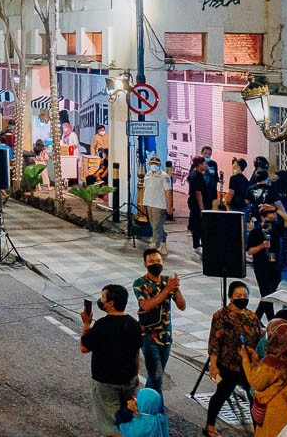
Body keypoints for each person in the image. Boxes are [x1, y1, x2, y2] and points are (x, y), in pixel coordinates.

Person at [80, 284, 142, 437]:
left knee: (112, 425)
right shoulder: (134, 324)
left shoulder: (102, 325)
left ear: (110, 303)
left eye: (103, 298)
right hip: (129, 380)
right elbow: (136, 354)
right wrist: (135, 377)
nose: (101, 301)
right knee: (126, 419)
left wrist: (86, 324)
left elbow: (84, 347)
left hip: (106, 382)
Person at [205, 280, 262, 437]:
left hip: (248, 365)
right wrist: (214, 365)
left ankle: (259, 430)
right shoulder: (220, 316)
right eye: (238, 295)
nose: (242, 298)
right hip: (229, 364)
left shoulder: (252, 316)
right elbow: (214, 342)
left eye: (245, 295)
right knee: (222, 394)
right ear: (230, 297)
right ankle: (210, 426)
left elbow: (258, 336)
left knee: (254, 397)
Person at [133, 247, 185, 394]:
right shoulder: (140, 283)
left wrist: (177, 289)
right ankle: (156, 410)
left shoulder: (167, 281)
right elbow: (147, 305)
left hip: (166, 335)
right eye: (151, 261)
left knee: (157, 375)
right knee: (156, 375)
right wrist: (167, 290)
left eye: (158, 261)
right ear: (145, 264)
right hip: (149, 335)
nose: (155, 264)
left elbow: (182, 306)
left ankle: (148, 405)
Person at [242, 318, 287, 437]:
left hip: (273, 412)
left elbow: (257, 382)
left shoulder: (272, 362)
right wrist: (258, 361)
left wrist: (245, 360)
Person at [249, 203, 287, 324]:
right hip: (262, 267)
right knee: (268, 296)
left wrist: (276, 209)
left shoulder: (276, 227)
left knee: (269, 296)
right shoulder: (256, 232)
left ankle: (256, 318)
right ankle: (272, 322)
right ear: (263, 216)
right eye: (271, 213)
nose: (273, 215)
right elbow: (250, 250)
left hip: (275, 266)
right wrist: (261, 246)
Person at [141, 158, 174, 255]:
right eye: (151, 164)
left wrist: (170, 205)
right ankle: (163, 242)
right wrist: (144, 203)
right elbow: (145, 189)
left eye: (155, 164)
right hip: (149, 203)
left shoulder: (164, 176)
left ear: (159, 165)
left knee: (156, 226)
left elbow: (168, 191)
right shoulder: (147, 175)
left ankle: (156, 244)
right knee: (154, 225)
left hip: (159, 205)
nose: (153, 166)